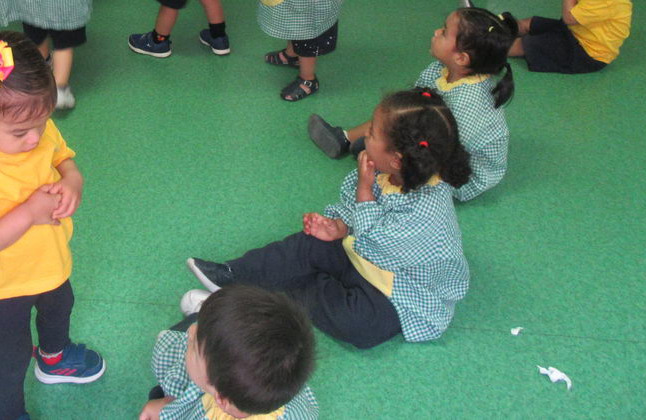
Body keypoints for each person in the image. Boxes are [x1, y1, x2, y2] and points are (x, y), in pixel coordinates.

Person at [187, 88, 471, 348]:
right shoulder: (388, 172)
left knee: (360, 326)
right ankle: (235, 274)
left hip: (398, 291)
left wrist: (363, 189)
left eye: (371, 134)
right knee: (308, 244)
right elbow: (353, 214)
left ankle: (275, 294)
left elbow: (375, 247)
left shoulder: (427, 209)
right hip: (361, 253)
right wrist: (338, 226)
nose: (364, 137)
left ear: (397, 158)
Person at [0, 32, 105, 420]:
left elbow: (63, 157)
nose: (35, 138)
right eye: (20, 133)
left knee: (60, 308)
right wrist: (29, 213)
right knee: (10, 360)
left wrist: (73, 180)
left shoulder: (35, 126)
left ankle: (54, 358)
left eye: (42, 123)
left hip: (49, 262)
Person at [309, 7, 517, 202]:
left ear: (461, 58)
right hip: (433, 135)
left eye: (444, 32)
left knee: (383, 148)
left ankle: (379, 154)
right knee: (394, 115)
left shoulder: (470, 105)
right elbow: (408, 109)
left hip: (457, 170)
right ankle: (346, 139)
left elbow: (447, 151)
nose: (436, 32)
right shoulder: (441, 69)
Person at [139, 284, 319, 420]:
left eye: (193, 346)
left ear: (221, 399)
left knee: (157, 392)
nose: (191, 331)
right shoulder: (272, 379)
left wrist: (169, 407)